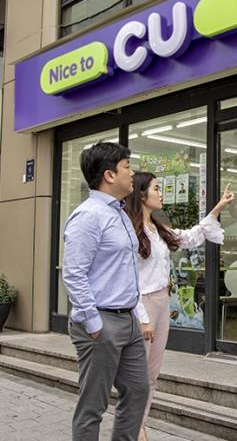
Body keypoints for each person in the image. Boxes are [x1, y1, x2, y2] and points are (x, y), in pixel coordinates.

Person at [124, 173, 235, 441]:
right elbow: (128, 279)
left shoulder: (158, 229)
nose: (161, 193)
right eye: (156, 188)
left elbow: (191, 236)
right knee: (138, 373)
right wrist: (142, 317)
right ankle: (132, 426)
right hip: (143, 306)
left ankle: (140, 423)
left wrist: (217, 208)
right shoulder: (129, 231)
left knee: (152, 373)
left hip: (162, 303)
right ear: (141, 195)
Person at [63, 142, 149, 441]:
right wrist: (93, 323)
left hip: (128, 320)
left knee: (138, 392)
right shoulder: (89, 215)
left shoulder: (120, 213)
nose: (132, 172)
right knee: (93, 406)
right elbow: (74, 273)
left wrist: (136, 315)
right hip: (101, 321)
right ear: (110, 175)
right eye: (127, 166)